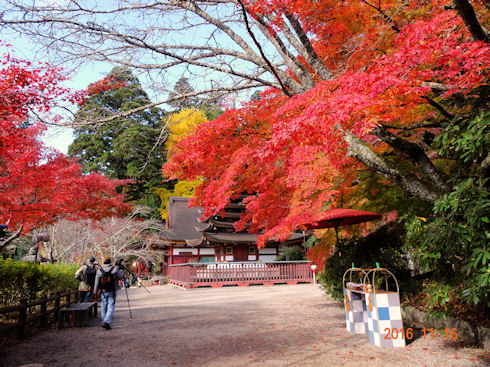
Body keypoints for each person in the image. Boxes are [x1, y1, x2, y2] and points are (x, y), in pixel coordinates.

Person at [93, 257, 123, 330]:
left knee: (103, 305)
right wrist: (120, 269)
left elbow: (96, 282)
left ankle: (104, 321)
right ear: (110, 261)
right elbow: (120, 276)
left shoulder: (99, 270)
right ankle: (107, 321)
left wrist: (95, 291)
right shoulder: (114, 269)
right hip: (112, 290)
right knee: (111, 305)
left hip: (103, 291)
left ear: (103, 261)